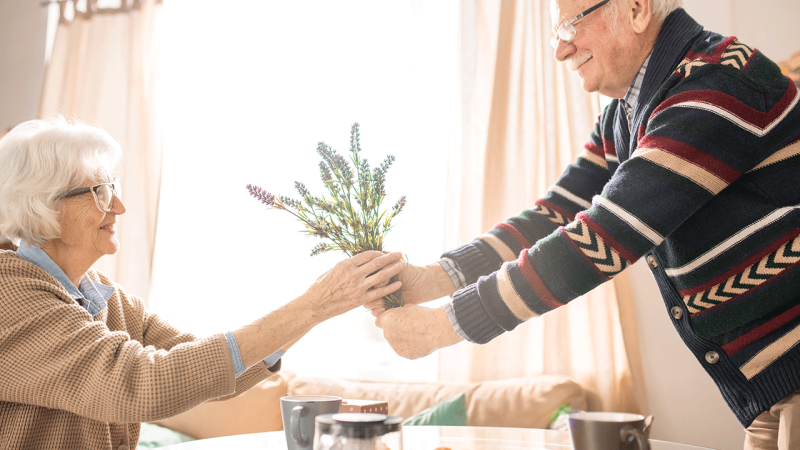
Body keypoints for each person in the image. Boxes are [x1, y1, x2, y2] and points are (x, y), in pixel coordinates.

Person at [369, 0, 800, 448]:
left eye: (570, 26)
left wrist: (447, 324)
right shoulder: (628, 112)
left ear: (635, 9)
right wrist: (432, 279)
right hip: (772, 395)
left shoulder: (717, 84)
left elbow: (600, 238)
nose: (560, 50)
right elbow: (555, 214)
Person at [0, 116, 405, 450]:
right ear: (43, 205)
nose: (119, 206)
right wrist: (315, 304)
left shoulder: (103, 295)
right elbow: (142, 384)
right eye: (99, 191)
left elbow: (202, 369)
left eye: (114, 188)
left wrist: (318, 307)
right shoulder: (12, 296)